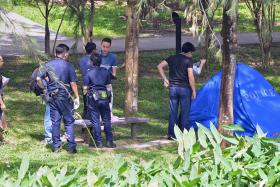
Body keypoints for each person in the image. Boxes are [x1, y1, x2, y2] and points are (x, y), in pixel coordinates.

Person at [36, 44, 80, 153]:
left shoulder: (47, 64)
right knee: (69, 122)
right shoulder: (68, 66)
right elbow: (73, 83)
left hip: (52, 97)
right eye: (68, 53)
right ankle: (71, 147)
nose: (68, 55)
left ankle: (56, 147)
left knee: (55, 122)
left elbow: (38, 78)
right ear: (65, 54)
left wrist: (45, 88)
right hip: (65, 96)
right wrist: (77, 96)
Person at [157, 42, 196, 140]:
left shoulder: (172, 58)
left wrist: (165, 79)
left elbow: (159, 66)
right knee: (184, 112)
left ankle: (171, 134)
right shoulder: (188, 60)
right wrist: (194, 90)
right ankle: (183, 134)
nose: (192, 54)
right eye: (192, 52)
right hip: (185, 89)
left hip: (173, 89)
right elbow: (190, 76)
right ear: (188, 52)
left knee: (173, 112)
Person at [83, 55, 116, 148]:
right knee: (106, 120)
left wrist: (86, 96)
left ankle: (99, 142)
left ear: (92, 62)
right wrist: (109, 97)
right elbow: (109, 86)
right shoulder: (105, 71)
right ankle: (110, 142)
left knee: (96, 121)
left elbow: (85, 88)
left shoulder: (88, 73)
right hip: (104, 96)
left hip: (93, 98)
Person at [99, 38, 118, 118]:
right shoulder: (96, 55)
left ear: (110, 47)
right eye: (103, 46)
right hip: (98, 84)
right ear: (101, 45)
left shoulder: (113, 57)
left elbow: (114, 73)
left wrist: (110, 79)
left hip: (107, 84)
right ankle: (99, 118)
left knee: (109, 101)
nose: (105, 49)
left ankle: (109, 116)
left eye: (107, 47)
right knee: (99, 102)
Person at [79, 42, 97, 119]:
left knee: (86, 105)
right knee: (94, 106)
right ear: (93, 50)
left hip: (85, 86)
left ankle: (85, 126)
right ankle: (93, 125)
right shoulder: (95, 59)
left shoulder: (81, 60)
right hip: (94, 86)